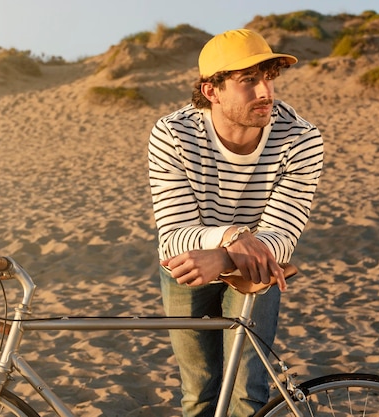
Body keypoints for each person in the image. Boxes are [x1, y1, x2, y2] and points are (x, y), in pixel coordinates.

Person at [148, 29, 324, 417]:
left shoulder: (301, 138)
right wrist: (234, 236)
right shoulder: (173, 134)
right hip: (186, 268)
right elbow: (174, 235)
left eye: (269, 78)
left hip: (253, 267)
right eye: (248, 81)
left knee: (248, 392)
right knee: (198, 392)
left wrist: (226, 257)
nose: (266, 92)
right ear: (211, 90)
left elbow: (282, 236)